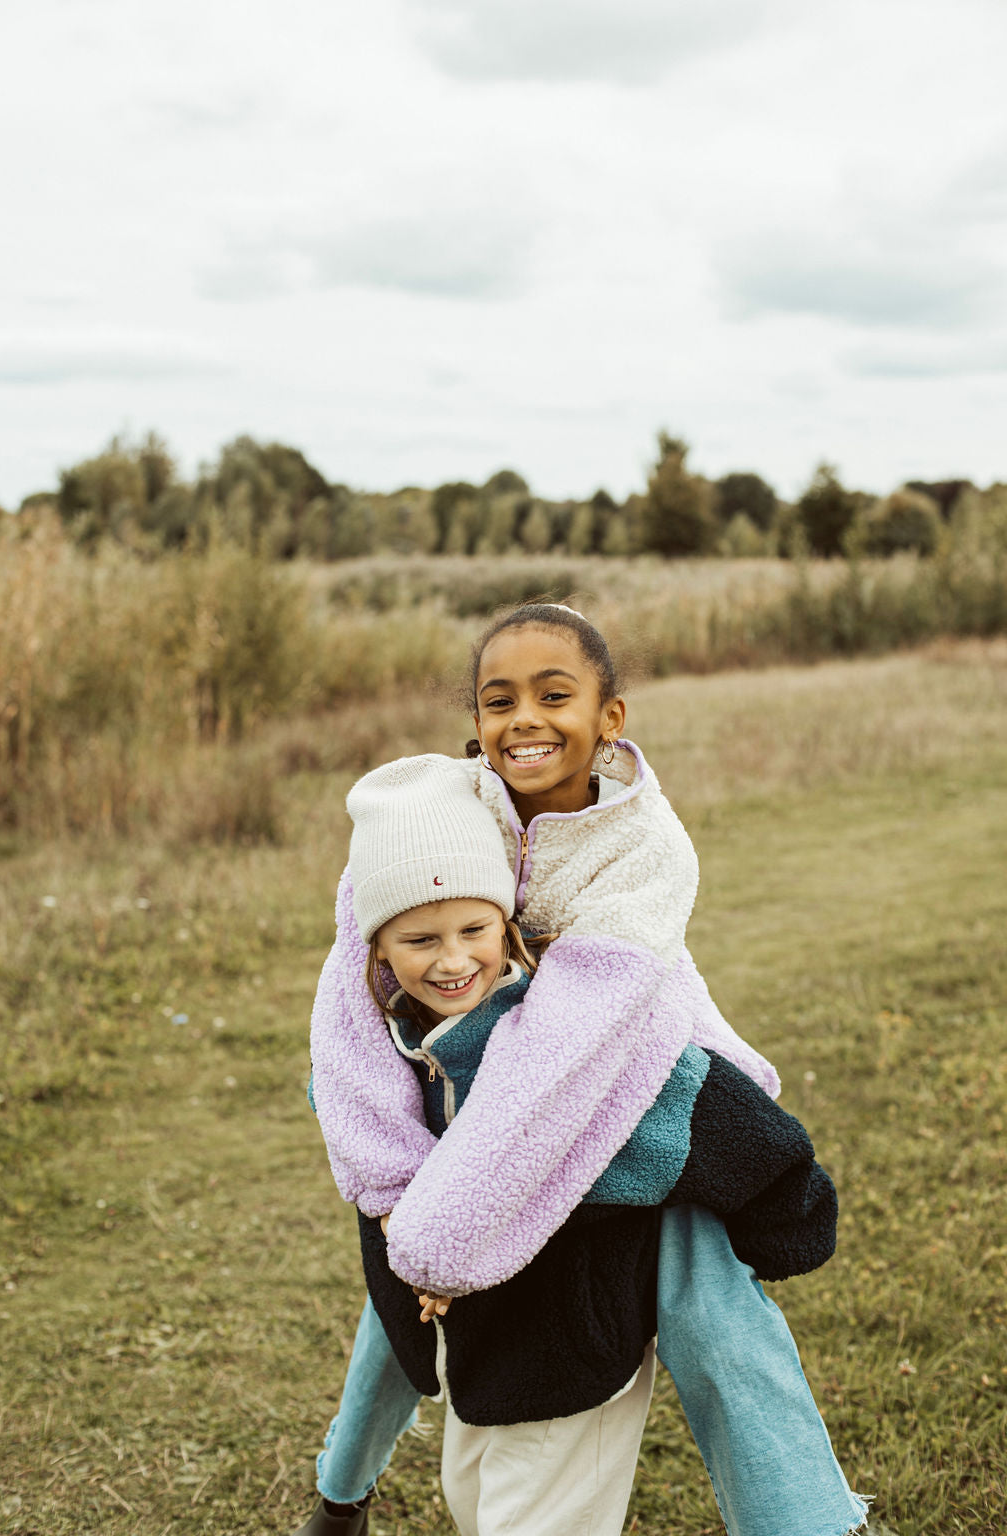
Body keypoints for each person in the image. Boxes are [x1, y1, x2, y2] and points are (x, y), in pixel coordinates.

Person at [298, 604, 869, 1536]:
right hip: (465, 1077)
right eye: (499, 699)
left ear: (611, 717)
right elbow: (351, 982)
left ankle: (802, 1518)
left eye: (554, 695)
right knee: (396, 1281)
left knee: (707, 1297)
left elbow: (559, 1058)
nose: (524, 718)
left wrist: (440, 1234)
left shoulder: (645, 848)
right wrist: (398, 1188)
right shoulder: (438, 809)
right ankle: (340, 1490)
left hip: (616, 1066)